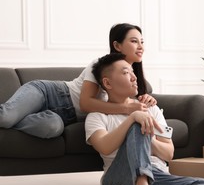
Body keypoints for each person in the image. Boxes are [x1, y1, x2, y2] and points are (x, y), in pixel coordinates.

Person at [85, 53, 204, 185]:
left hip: (156, 175)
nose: (134, 77)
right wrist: (133, 118)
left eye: (133, 72)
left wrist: (149, 140)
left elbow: (169, 153)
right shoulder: (97, 116)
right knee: (139, 122)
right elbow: (104, 146)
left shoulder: (152, 109)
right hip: (118, 179)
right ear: (107, 83)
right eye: (126, 73)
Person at [0, 23, 156, 138]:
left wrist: (146, 98)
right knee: (5, 118)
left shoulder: (133, 78)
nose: (141, 46)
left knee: (51, 128)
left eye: (142, 42)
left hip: (64, 117)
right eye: (134, 41)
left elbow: (131, 103)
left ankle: (18, 118)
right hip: (49, 93)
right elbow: (85, 103)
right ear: (117, 45)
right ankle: (13, 116)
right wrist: (126, 108)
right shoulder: (100, 65)